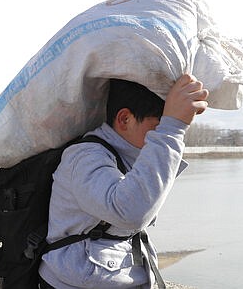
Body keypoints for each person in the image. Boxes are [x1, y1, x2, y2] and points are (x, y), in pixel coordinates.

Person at [38, 74, 209, 288]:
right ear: (124, 119)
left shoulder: (128, 154)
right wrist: (172, 128)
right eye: (157, 127)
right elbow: (130, 213)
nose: (160, 135)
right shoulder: (85, 157)